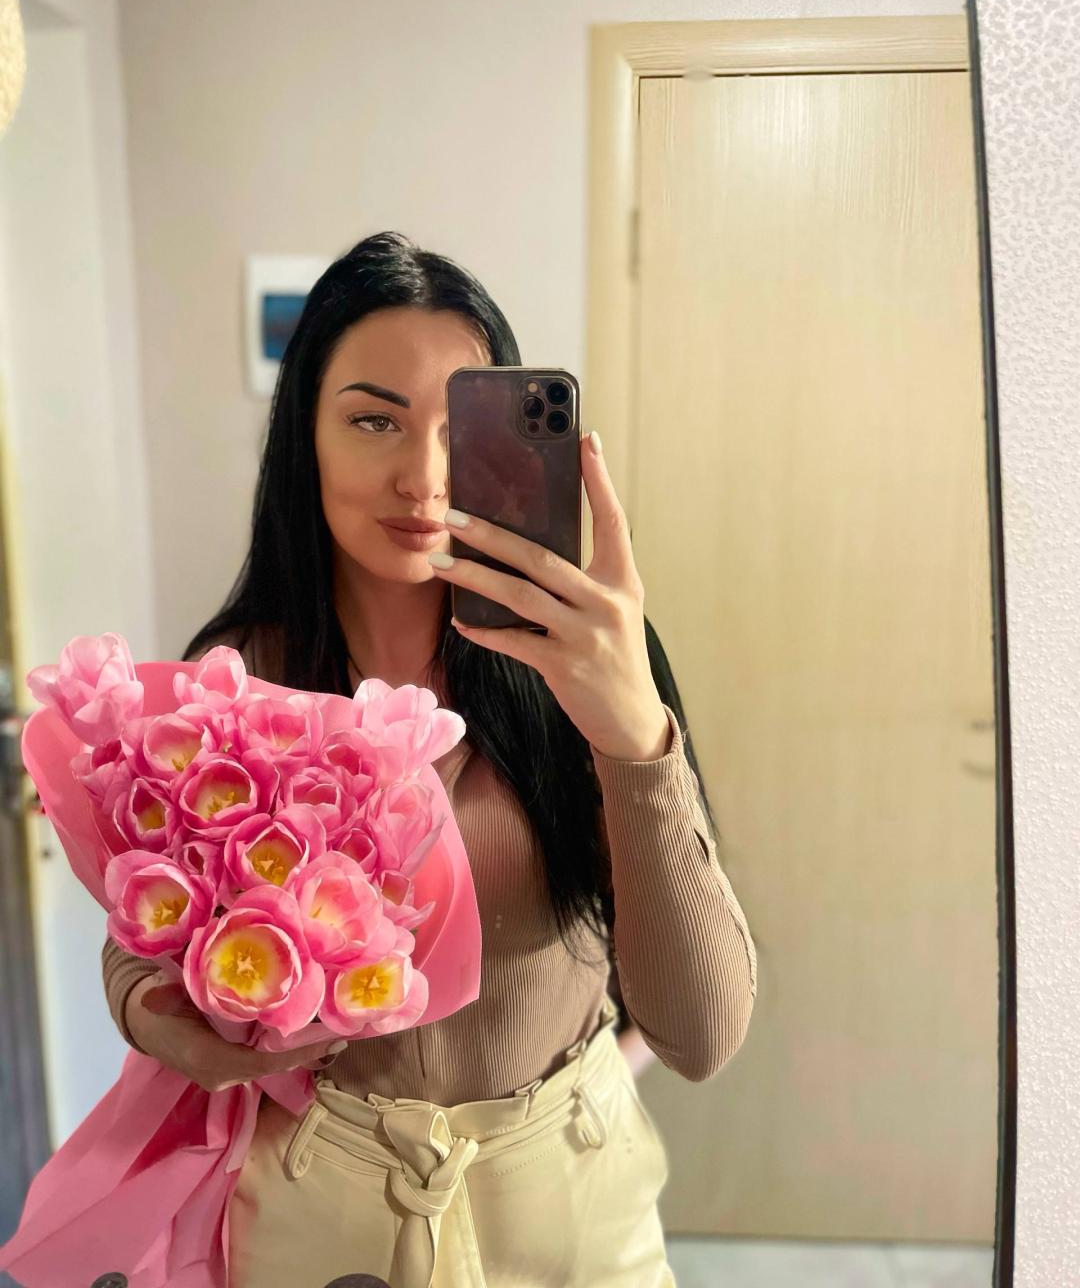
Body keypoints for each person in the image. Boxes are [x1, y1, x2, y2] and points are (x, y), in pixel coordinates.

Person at [101, 231, 758, 1288]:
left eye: (462, 429)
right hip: (320, 1195)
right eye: (375, 420)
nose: (424, 476)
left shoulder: (591, 661)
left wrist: (635, 738)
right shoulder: (237, 678)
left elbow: (701, 1035)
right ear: (306, 437)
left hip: (570, 1197)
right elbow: (141, 936)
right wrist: (170, 1027)